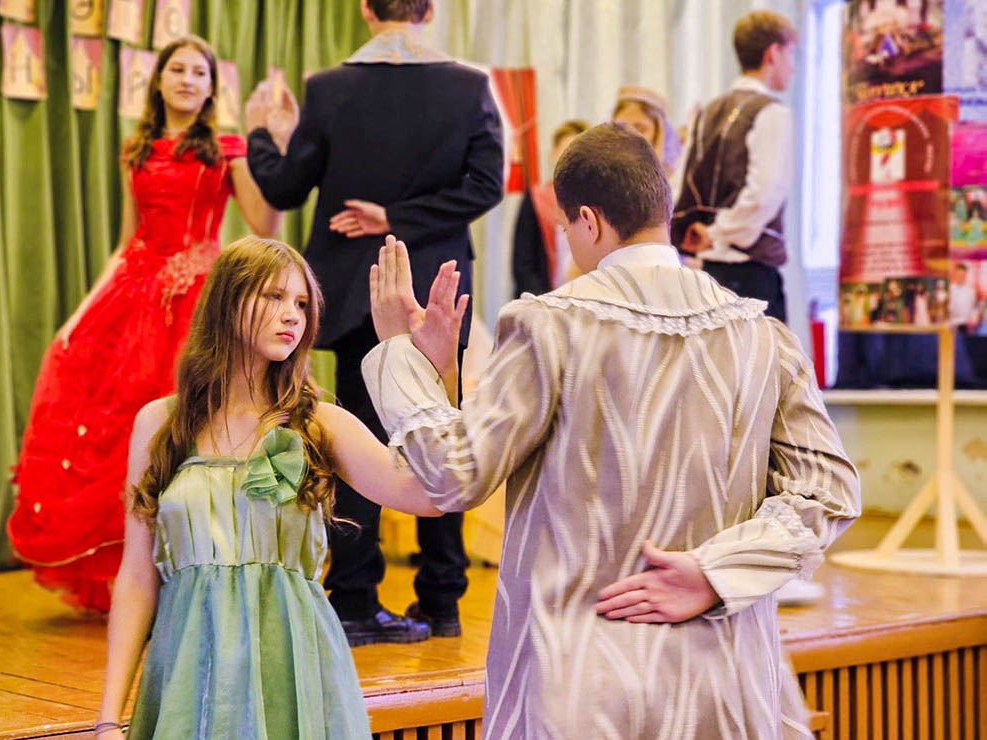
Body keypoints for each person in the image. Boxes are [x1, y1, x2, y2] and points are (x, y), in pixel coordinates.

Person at [362, 123, 860, 737]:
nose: (569, 244)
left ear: (589, 221)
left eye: (566, 229)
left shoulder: (550, 326)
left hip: (585, 680)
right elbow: (830, 492)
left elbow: (454, 473)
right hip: (724, 681)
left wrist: (399, 354)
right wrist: (714, 572)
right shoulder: (764, 334)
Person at [94, 237, 456, 739]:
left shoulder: (319, 422)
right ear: (227, 302)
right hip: (189, 681)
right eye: (274, 297)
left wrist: (439, 369)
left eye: (302, 304)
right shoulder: (160, 423)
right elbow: (137, 576)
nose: (292, 316)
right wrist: (108, 719)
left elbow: (433, 496)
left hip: (294, 675)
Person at [246, 0, 504, 645]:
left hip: (356, 288)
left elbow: (284, 189)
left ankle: (356, 600)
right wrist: (403, 218)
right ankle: (442, 600)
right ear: (429, 10)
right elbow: (486, 186)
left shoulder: (329, 89)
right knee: (442, 432)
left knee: (355, 441)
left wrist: (261, 135)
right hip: (439, 289)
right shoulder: (470, 85)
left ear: (365, 9)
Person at [7, 36, 281, 611]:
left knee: (192, 422)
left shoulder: (226, 149)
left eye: (199, 72)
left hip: (199, 301)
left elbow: (265, 224)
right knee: (125, 431)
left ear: (211, 88)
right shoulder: (136, 150)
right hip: (134, 296)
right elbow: (126, 241)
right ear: (158, 80)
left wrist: (268, 151)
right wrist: (80, 313)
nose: (187, 80)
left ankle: (204, 564)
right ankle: (136, 574)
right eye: (177, 69)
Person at [672, 10, 797, 322]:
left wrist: (702, 233)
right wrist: (718, 232)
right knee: (761, 354)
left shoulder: (706, 112)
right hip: (749, 272)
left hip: (707, 273)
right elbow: (764, 194)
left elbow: (679, 184)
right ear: (772, 53)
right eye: (790, 54)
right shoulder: (771, 112)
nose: (793, 67)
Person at [512, 119, 589, 298]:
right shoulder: (536, 198)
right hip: (543, 298)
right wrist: (541, 302)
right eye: (565, 152)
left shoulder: (599, 202)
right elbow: (523, 261)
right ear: (554, 154)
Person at [612, 85, 681, 176]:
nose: (628, 136)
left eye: (640, 129)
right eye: (621, 128)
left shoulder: (678, 178)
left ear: (658, 132)